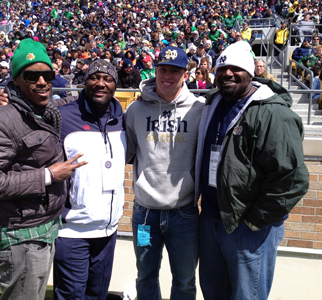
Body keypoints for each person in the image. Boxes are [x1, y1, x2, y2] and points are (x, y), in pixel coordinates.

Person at [0, 39, 87, 300]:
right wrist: (49, 175)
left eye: (47, 75)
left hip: (42, 229)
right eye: (32, 75)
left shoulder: (43, 110)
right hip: (20, 236)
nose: (42, 81)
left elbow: (73, 99)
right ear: (17, 80)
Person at [194, 41, 309, 300]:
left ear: (251, 73)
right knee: (213, 293)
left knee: (248, 295)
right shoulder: (211, 104)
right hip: (211, 218)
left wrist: (256, 219)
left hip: (247, 227)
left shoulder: (272, 113)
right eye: (222, 68)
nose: (228, 74)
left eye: (236, 68)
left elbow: (292, 179)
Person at [125, 46, 205, 300]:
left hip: (184, 214)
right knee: (145, 276)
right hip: (145, 213)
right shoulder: (135, 111)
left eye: (174, 71)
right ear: (155, 71)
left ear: (185, 75)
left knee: (184, 281)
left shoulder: (199, 110)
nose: (167, 76)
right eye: (163, 70)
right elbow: (129, 152)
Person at [53, 59, 126, 300]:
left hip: (108, 230)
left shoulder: (123, 120)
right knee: (71, 296)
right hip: (73, 230)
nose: (100, 83)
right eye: (95, 77)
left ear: (115, 84)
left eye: (108, 79)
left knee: (97, 294)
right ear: (86, 82)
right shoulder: (63, 117)